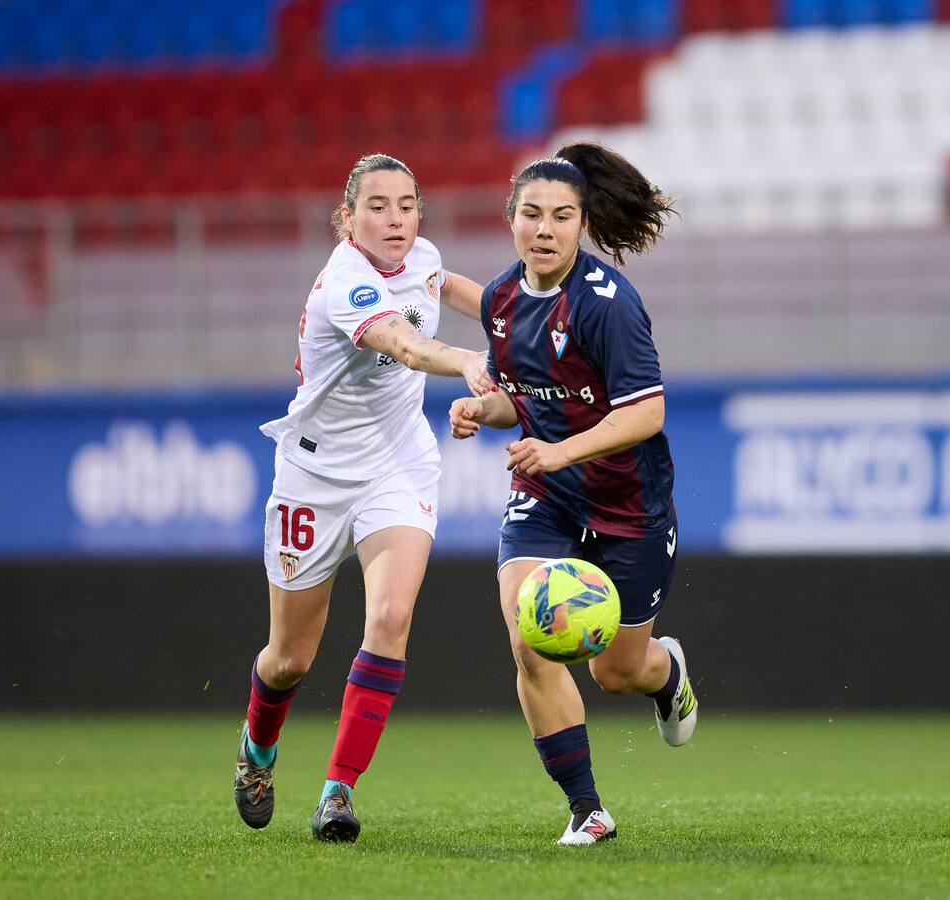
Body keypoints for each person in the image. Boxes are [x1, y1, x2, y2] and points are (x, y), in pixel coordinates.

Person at [234, 153, 490, 843]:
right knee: (289, 659)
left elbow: (450, 285)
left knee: (391, 614)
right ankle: (258, 751)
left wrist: (519, 311)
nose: (395, 218)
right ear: (347, 218)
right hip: (313, 479)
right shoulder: (343, 282)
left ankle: (338, 791)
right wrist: (469, 359)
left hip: (397, 467)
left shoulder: (421, 255)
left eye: (407, 204)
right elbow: (404, 345)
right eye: (378, 206)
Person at [448, 143, 697, 845]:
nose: (545, 229)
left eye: (561, 216)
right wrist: (481, 409)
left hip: (629, 506)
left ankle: (666, 670)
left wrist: (558, 449)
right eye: (532, 214)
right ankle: (587, 810)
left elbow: (646, 413)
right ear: (511, 219)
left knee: (615, 674)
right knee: (530, 637)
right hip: (545, 495)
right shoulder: (501, 300)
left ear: (583, 224)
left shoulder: (607, 304)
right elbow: (521, 400)